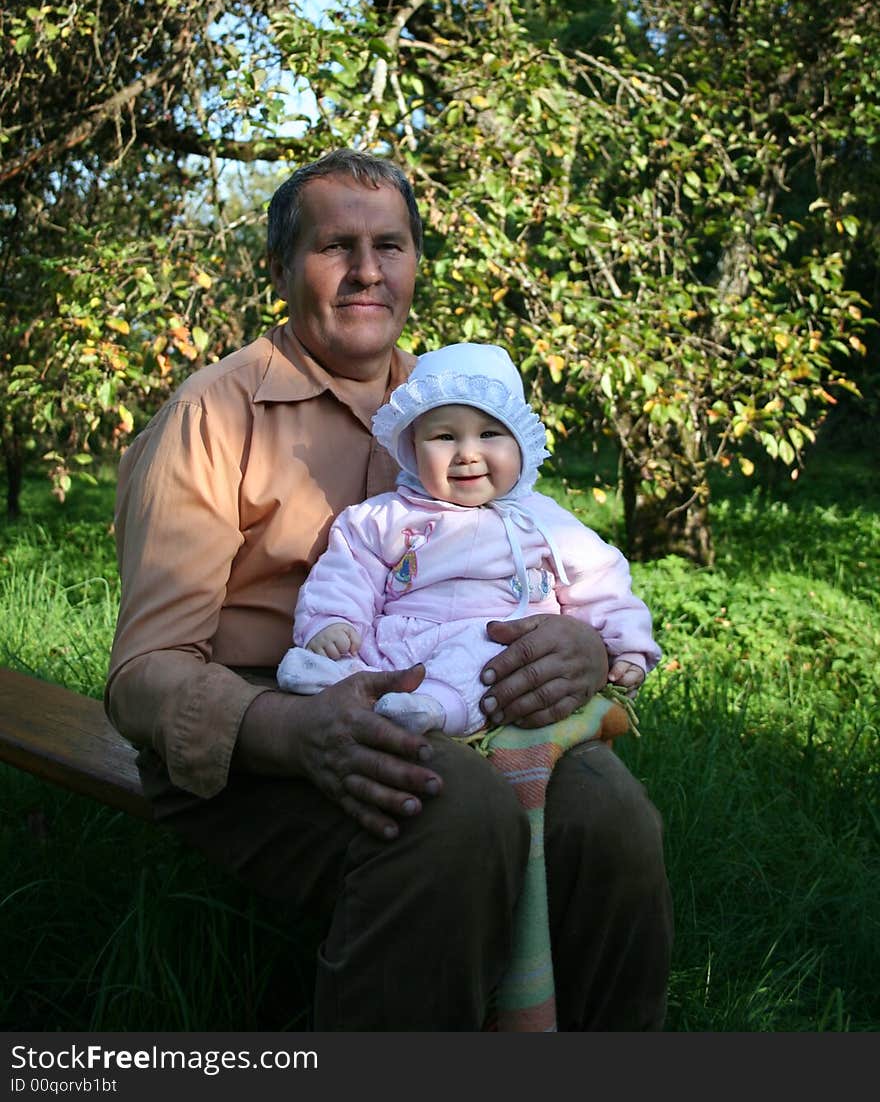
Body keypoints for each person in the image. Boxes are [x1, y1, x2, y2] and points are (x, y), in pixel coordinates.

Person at [105, 147, 673, 1031]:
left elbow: (554, 549)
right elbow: (143, 675)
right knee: (451, 815)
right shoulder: (212, 416)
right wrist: (295, 732)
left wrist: (588, 646)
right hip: (263, 716)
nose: (368, 270)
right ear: (283, 267)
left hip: (462, 698)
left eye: (391, 245)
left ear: (415, 263)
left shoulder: (456, 401)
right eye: (336, 245)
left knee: (612, 818)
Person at [277, 341, 661, 737]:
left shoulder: (544, 523)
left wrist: (626, 645)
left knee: (484, 660)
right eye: (444, 437)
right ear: (412, 447)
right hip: (403, 639)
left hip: (494, 638)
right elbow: (347, 570)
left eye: (490, 433)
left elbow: (601, 581)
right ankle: (333, 675)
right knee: (366, 652)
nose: (467, 454)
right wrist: (333, 621)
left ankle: (435, 708)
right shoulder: (385, 517)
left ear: (521, 443)